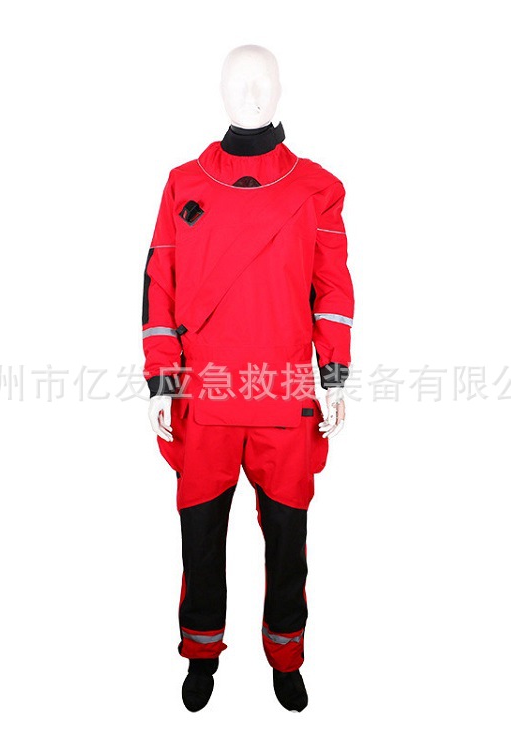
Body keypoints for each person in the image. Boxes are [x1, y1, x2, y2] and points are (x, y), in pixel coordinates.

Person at [141, 45, 354, 712]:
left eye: (264, 80)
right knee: (200, 540)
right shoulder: (184, 184)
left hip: (283, 396)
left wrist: (334, 376)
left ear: (283, 89)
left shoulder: (317, 188)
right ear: (220, 90)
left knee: (288, 545)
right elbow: (158, 285)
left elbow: (332, 288)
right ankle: (201, 652)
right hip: (205, 396)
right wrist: (161, 381)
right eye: (239, 80)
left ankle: (286, 657)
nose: (252, 92)